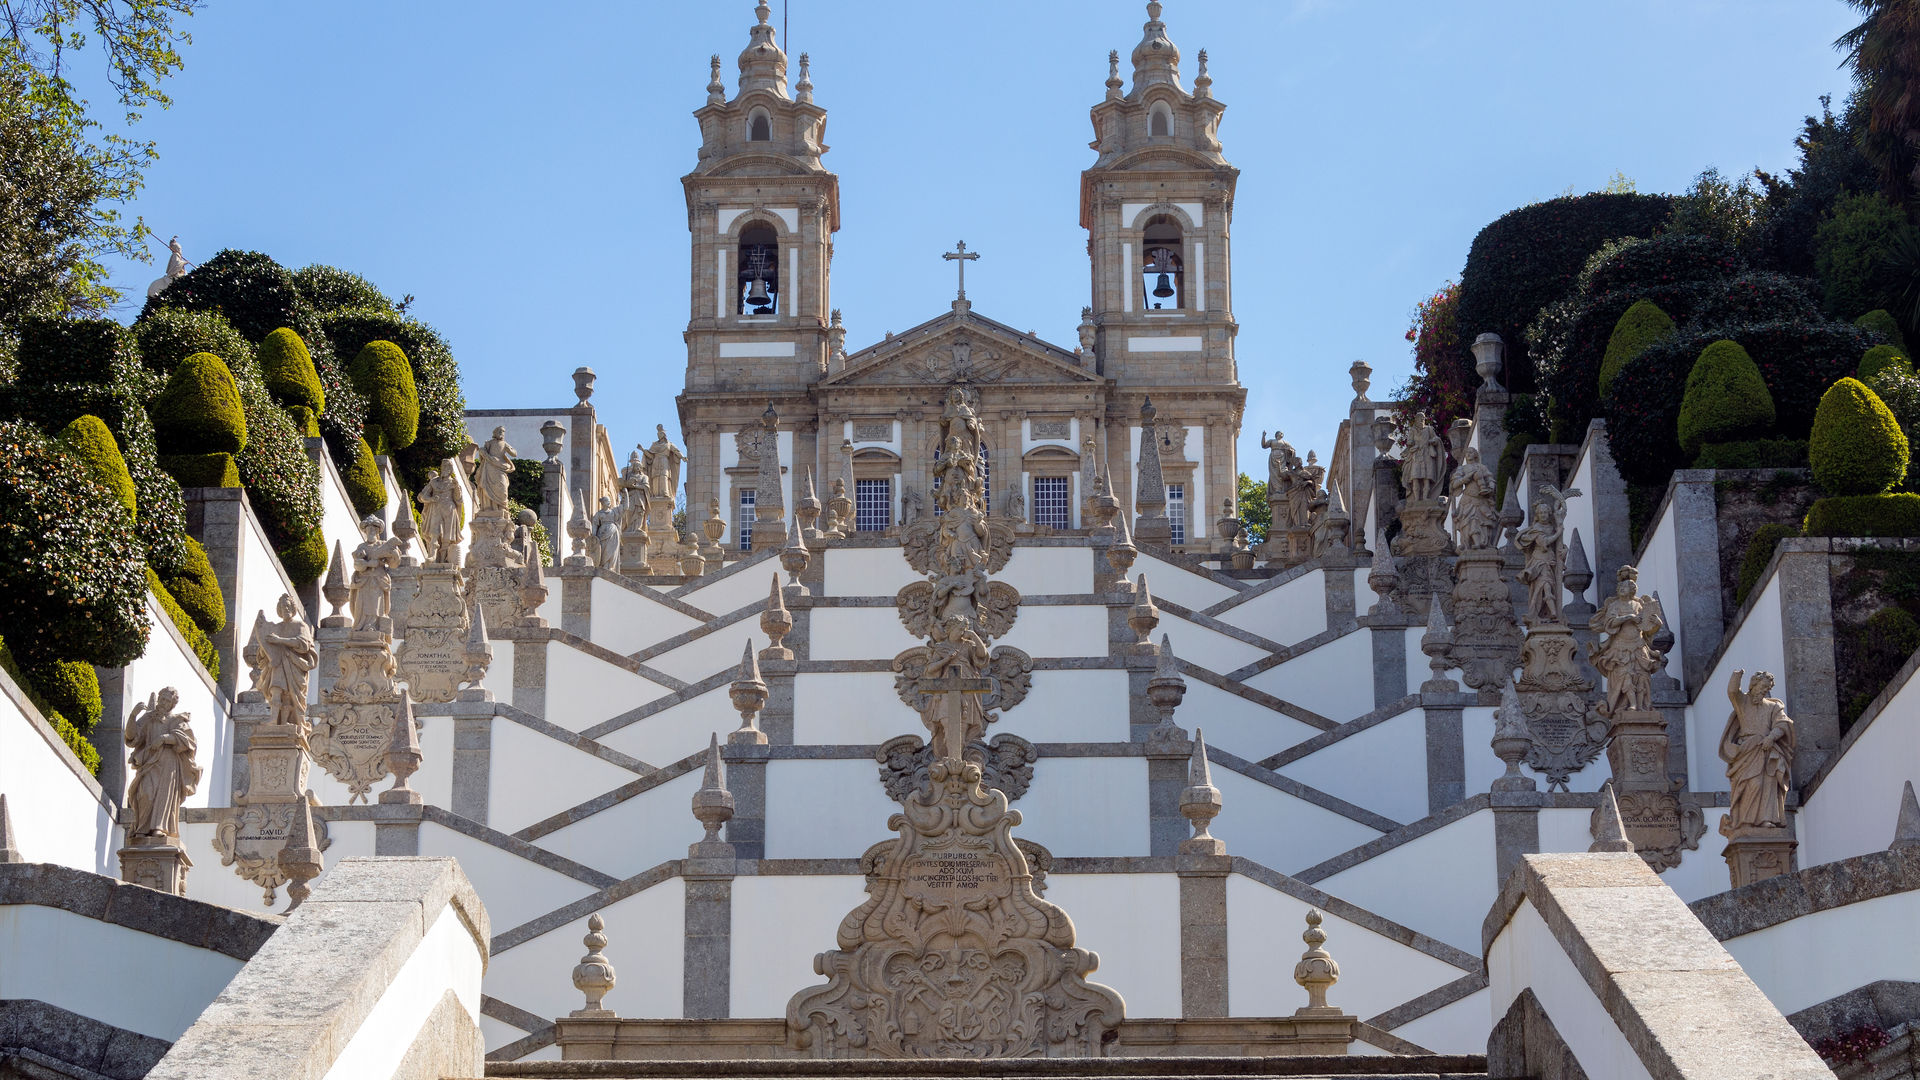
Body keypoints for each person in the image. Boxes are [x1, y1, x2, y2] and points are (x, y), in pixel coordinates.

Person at [1721, 670, 1795, 830]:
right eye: (1762, 686)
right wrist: (1736, 676)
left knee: (1768, 783)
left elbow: (1783, 724)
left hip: (1767, 749)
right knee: (1752, 783)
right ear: (1753, 685)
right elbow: (1732, 692)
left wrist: (1772, 737)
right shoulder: (1742, 702)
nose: (1763, 690)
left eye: (1766, 688)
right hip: (1747, 750)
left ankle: (1766, 820)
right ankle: (1745, 821)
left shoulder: (1773, 706)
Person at [124, 688, 201, 843]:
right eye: (162, 699)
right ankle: (141, 828)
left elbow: (189, 742)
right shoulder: (148, 718)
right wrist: (133, 716)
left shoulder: (177, 720)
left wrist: (165, 738)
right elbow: (132, 737)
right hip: (149, 763)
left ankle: (159, 827)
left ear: (172, 704)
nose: (163, 703)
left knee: (164, 797)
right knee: (145, 793)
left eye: (167, 700)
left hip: (169, 764)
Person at [419, 463, 465, 563]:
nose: (444, 469)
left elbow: (458, 499)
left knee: (447, 537)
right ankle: (432, 556)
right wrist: (431, 499)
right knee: (434, 533)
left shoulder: (454, 483)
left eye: (447, 467)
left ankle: (443, 559)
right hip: (436, 509)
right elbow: (422, 496)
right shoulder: (434, 482)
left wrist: (457, 487)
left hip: (449, 510)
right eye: (443, 466)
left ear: (451, 469)